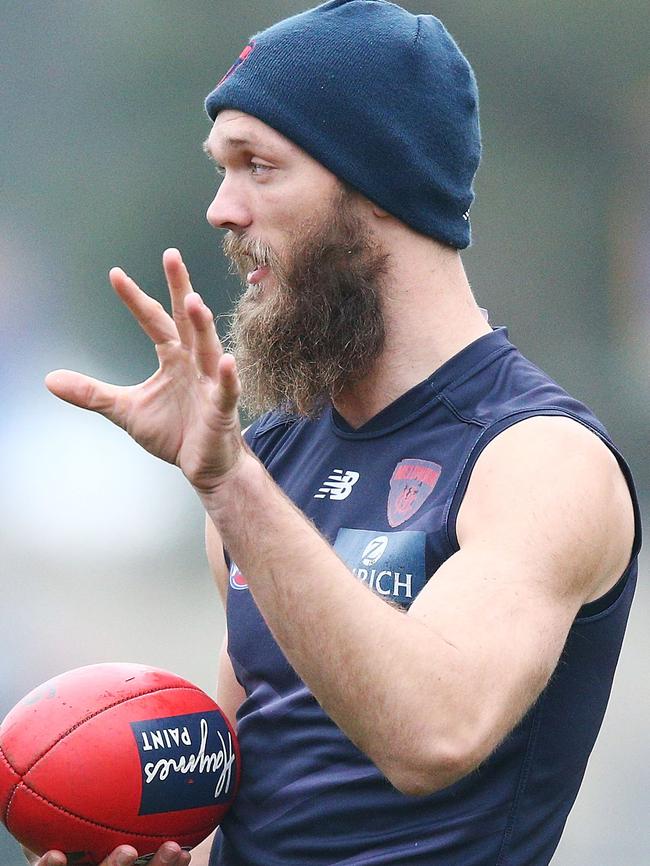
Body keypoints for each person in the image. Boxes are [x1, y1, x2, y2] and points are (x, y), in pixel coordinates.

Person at [30, 1, 640, 865]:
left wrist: (227, 483)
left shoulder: (539, 459)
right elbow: (250, 787)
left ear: (379, 181)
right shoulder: (268, 460)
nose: (221, 209)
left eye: (258, 166)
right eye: (220, 168)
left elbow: (434, 735)